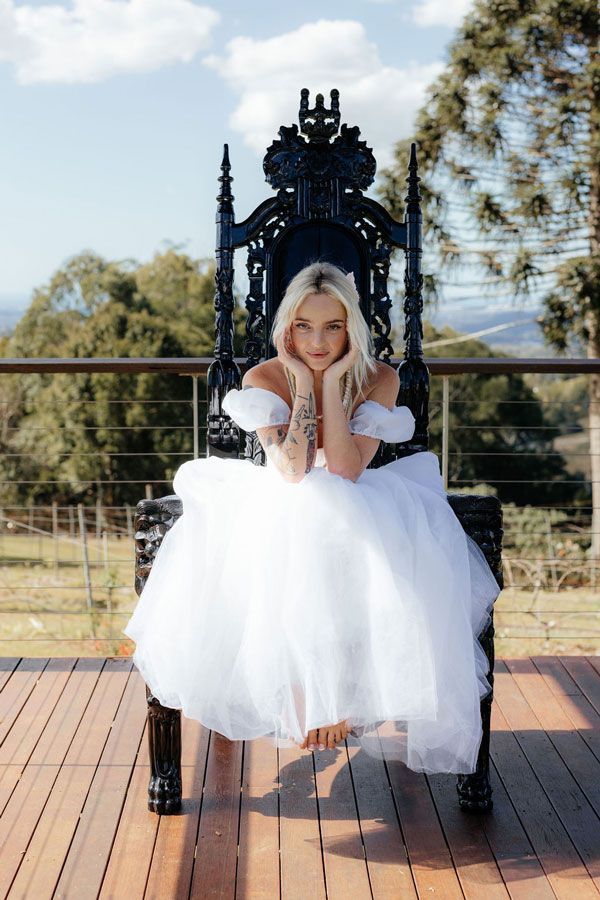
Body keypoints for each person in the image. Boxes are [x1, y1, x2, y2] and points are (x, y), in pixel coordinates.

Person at [124, 261, 500, 773]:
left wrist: (335, 379)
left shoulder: (378, 378)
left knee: (338, 516)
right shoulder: (264, 377)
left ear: (351, 329)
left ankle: (337, 696)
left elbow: (344, 470)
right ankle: (306, 691)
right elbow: (295, 470)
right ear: (287, 329)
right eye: (303, 327)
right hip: (282, 491)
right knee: (303, 516)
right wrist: (301, 378)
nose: (317, 341)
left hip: (361, 495)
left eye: (332, 327)